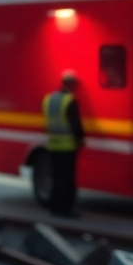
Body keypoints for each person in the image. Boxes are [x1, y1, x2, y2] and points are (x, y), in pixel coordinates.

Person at [42, 70, 85, 216]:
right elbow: (75, 124)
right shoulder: (70, 100)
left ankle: (54, 207)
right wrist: (81, 139)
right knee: (67, 179)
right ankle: (66, 209)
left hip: (53, 144)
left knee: (55, 177)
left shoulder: (49, 99)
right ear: (71, 84)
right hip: (67, 146)